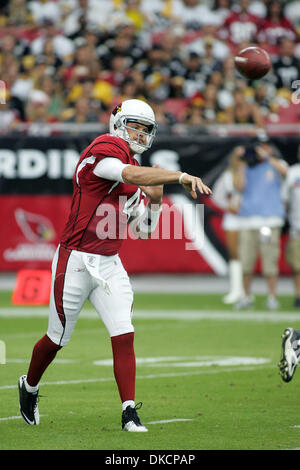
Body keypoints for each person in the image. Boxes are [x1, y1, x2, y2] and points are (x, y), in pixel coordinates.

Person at [18, 98, 212, 431]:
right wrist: (178, 176)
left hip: (109, 263)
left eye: (144, 129)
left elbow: (144, 231)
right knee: (57, 338)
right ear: (119, 124)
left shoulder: (132, 175)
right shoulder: (105, 149)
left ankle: (129, 411)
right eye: (134, 125)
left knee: (123, 332)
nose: (138, 133)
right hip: (75, 259)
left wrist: (155, 203)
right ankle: (30, 385)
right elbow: (128, 172)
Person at [233, 140, 288, 310]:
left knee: (268, 259)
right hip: (249, 221)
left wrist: (267, 156)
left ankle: (272, 297)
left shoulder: (274, 164)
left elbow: (285, 171)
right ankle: (246, 296)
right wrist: (241, 162)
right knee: (246, 260)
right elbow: (239, 186)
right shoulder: (245, 167)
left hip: (268, 222)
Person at [212, 146, 244, 304]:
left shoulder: (253, 173)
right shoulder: (227, 176)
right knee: (234, 254)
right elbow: (216, 197)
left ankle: (247, 291)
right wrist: (228, 206)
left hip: (250, 217)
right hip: (233, 219)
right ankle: (236, 289)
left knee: (248, 254)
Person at [281, 144, 300, 308]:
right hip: (297, 226)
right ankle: (298, 295)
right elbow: (285, 199)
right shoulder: (293, 172)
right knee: (297, 264)